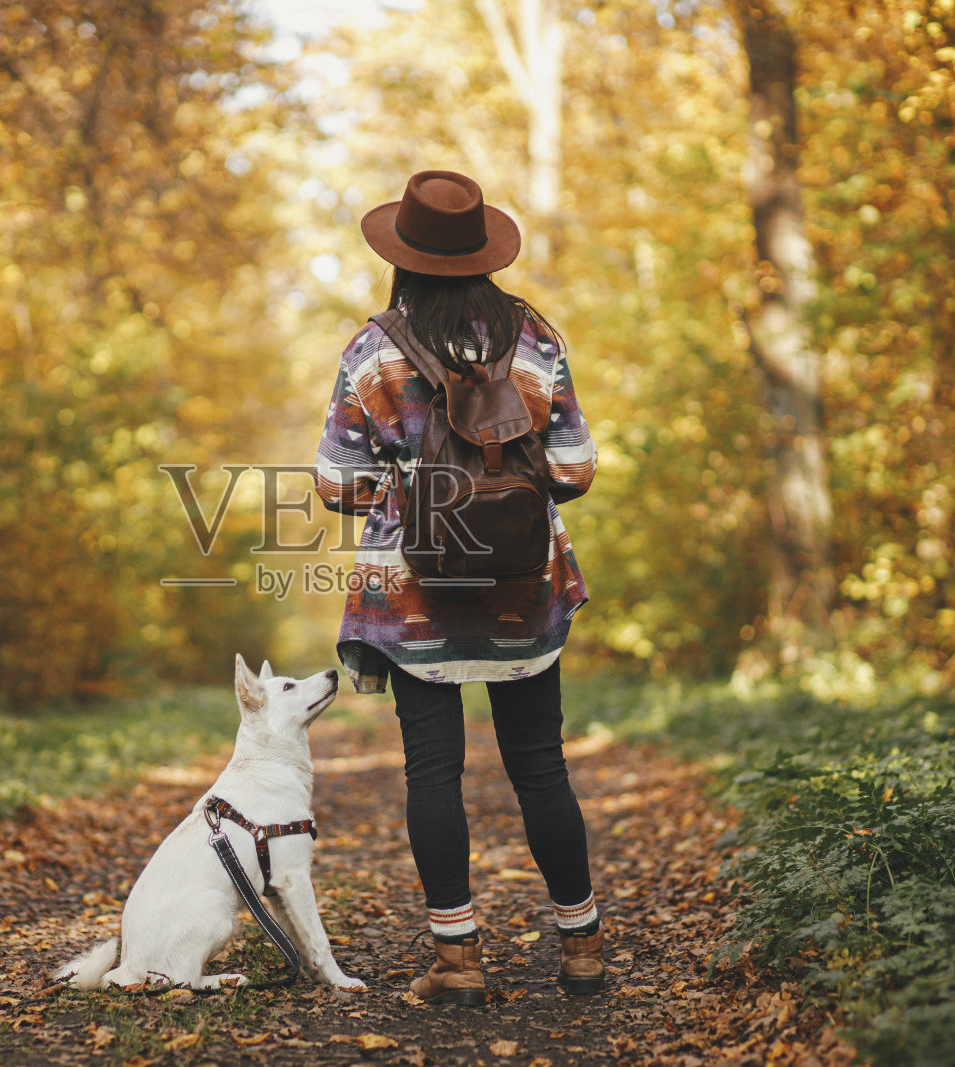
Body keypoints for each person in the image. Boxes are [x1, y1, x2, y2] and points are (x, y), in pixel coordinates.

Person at [313, 170, 603, 1005]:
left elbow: (336, 484)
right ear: (482, 252)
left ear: (403, 255)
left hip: (415, 597)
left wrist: (412, 489)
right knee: (541, 767)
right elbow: (577, 468)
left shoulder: (373, 350)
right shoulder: (537, 339)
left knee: (431, 772)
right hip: (523, 592)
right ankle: (581, 946)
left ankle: (458, 959)